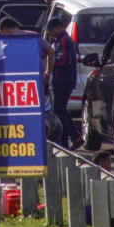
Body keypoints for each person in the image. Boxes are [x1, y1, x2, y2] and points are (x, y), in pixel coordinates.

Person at [47, 17, 82, 150]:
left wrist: (51, 59)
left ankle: (70, 138)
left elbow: (64, 60)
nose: (50, 33)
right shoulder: (58, 41)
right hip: (59, 82)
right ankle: (72, 137)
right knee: (60, 111)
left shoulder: (64, 40)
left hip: (62, 82)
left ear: (58, 28)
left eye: (51, 30)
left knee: (59, 111)